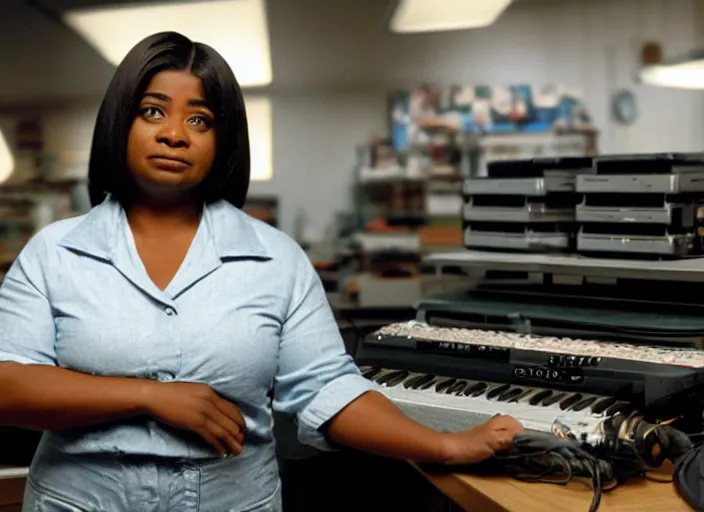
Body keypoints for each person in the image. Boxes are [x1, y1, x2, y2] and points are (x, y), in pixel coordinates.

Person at [0, 31, 523, 512]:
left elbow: (327, 389)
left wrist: (445, 445)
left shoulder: (277, 259)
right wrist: (149, 395)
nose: (176, 134)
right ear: (120, 121)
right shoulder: (54, 252)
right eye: (152, 112)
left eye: (199, 119)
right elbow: (8, 386)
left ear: (222, 141)